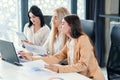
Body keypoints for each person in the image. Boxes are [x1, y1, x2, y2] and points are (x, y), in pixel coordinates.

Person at [20, 14, 105, 80]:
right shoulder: (70, 41)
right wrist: (32, 58)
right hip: (76, 76)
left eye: (63, 23)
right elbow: (56, 57)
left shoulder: (83, 40)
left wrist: (59, 68)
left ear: (71, 26)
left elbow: (83, 65)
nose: (61, 26)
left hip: (90, 77)